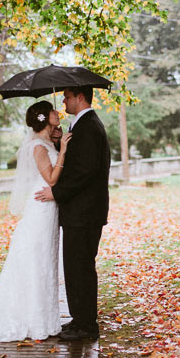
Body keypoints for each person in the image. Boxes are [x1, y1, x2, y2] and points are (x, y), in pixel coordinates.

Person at [0, 101, 72, 343]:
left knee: (46, 262)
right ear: (45, 118)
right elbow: (51, 179)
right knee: (37, 261)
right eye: (54, 111)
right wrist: (63, 150)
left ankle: (45, 318)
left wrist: (59, 141)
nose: (59, 113)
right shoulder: (38, 146)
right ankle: (31, 318)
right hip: (41, 208)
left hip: (49, 210)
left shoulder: (47, 142)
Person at [35, 86, 110, 341]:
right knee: (76, 269)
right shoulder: (81, 125)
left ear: (80, 97)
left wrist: (57, 193)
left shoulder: (88, 127)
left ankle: (87, 326)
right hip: (81, 212)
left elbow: (84, 171)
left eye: (67, 96)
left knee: (81, 269)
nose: (64, 100)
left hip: (85, 213)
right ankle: (80, 320)